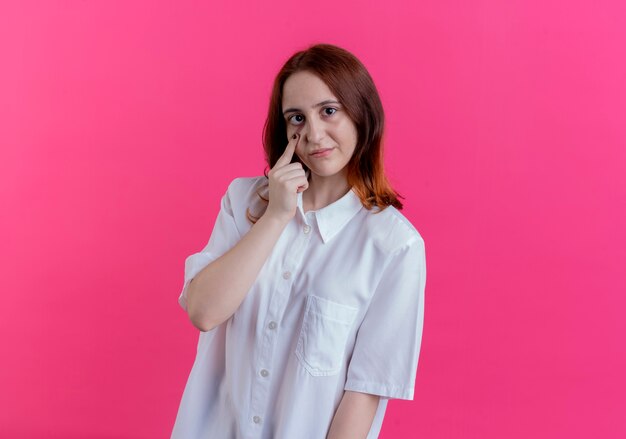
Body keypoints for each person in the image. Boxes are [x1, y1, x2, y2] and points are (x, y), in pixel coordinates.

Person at [171, 43, 427, 439]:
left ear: (361, 112)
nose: (313, 133)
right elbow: (203, 312)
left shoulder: (394, 246)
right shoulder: (244, 202)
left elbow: (364, 394)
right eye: (296, 117)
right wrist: (275, 216)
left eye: (329, 111)